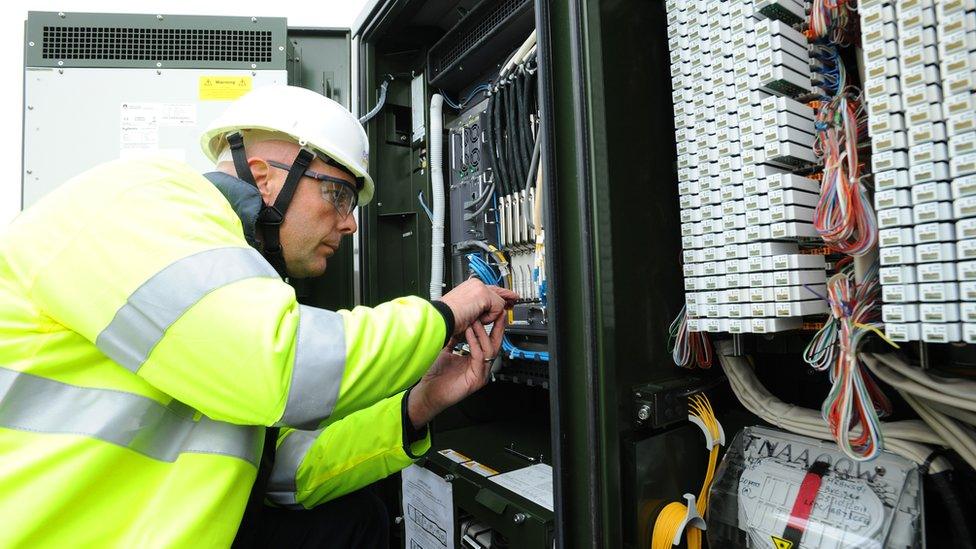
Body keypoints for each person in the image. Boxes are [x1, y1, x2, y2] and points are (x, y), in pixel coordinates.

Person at [0, 84, 517, 547]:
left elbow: (281, 473)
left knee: (355, 519)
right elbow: (279, 365)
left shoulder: (233, 282)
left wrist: (418, 405)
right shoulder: (143, 200)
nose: (351, 224)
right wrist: (443, 314)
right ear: (266, 178)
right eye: (339, 194)